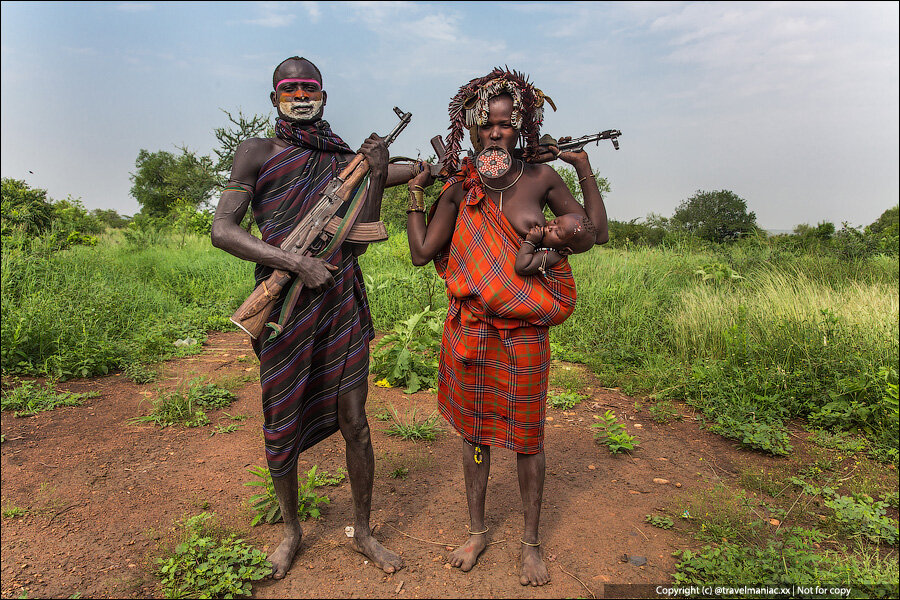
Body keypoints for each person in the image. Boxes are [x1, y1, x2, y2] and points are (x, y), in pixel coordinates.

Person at [404, 67, 609, 587]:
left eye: (503, 125)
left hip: (523, 336)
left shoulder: (540, 180)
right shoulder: (459, 187)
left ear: (520, 128)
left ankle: (530, 542)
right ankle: (477, 531)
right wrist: (417, 195)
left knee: (526, 438)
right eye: (484, 125)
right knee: (475, 434)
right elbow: (422, 252)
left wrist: (581, 168)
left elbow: (596, 233)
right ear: (469, 129)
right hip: (470, 332)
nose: (494, 133)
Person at [210, 56, 408, 579]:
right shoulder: (256, 151)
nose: (301, 94)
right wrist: (292, 261)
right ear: (274, 96)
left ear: (324, 93)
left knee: (357, 423)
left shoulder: (347, 158)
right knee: (281, 423)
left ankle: (363, 532)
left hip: (340, 301)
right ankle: (291, 532)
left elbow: (361, 238)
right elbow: (223, 230)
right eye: (289, 87)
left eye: (310, 87)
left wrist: (383, 168)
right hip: (283, 309)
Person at [515, 213, 597, 276]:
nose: (551, 227)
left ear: (565, 251)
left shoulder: (551, 256)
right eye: (555, 222)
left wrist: (531, 242)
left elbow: (522, 267)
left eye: (557, 233)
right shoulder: (551, 244)